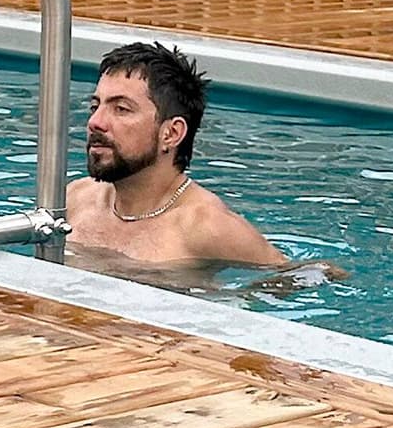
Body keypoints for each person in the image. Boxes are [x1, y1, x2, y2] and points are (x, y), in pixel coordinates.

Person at [67, 39, 281, 271]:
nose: (95, 122)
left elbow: (301, 275)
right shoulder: (76, 199)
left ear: (171, 133)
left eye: (121, 109)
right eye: (95, 106)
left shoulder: (205, 226)